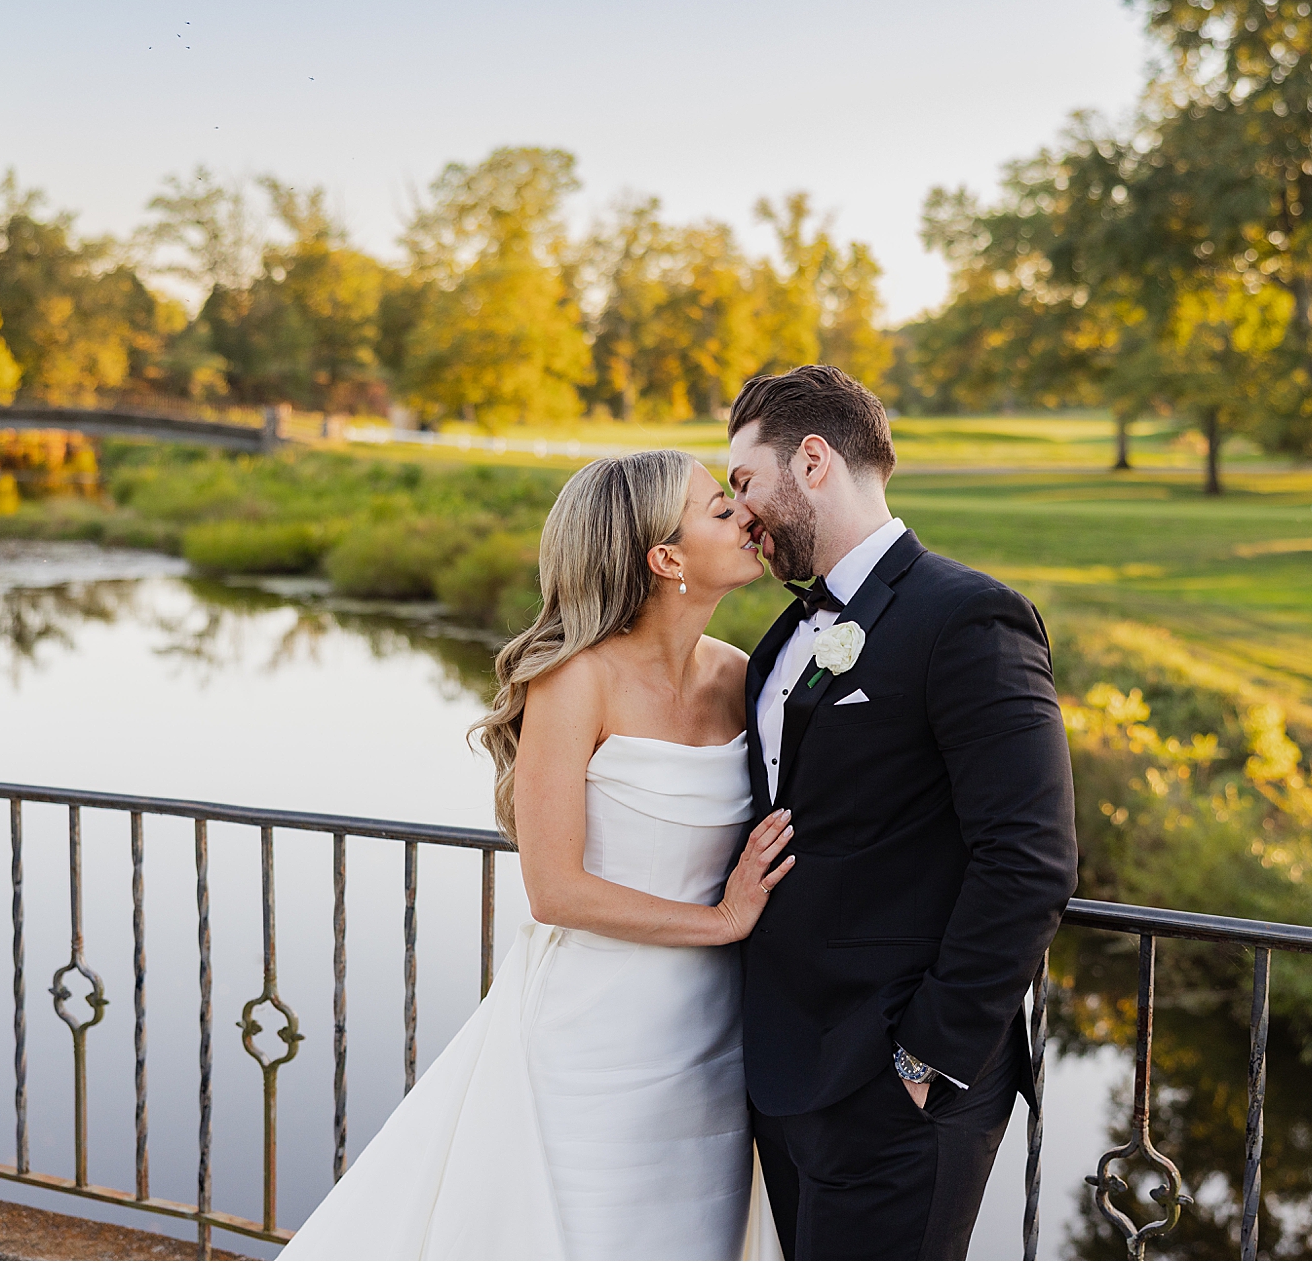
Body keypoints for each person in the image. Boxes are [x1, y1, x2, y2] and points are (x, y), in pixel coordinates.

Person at [282, 449, 793, 1261]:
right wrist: (723, 918)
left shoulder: (743, 677)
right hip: (595, 1032)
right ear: (666, 559)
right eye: (719, 509)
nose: (746, 517)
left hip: (718, 1035)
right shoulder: (574, 680)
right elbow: (555, 889)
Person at [726, 365, 1079, 1261]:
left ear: (812, 462)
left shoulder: (967, 617)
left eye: (744, 481)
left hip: (898, 1085)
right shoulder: (784, 636)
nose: (741, 514)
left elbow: (1029, 857)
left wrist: (923, 1062)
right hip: (789, 1070)